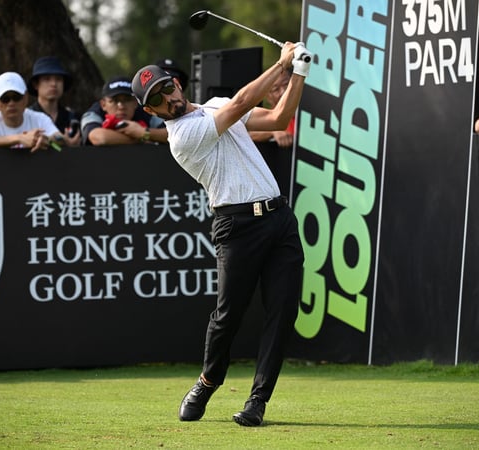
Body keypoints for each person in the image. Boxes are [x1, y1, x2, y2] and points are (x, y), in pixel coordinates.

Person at [130, 41, 311, 427]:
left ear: (177, 84)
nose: (167, 98)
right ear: (150, 111)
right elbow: (242, 103)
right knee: (228, 316)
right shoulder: (181, 136)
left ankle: (257, 402)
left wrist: (299, 72)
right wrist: (281, 64)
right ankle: (207, 382)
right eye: (157, 99)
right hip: (236, 226)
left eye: (167, 88)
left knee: (282, 313)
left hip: (279, 219)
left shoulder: (213, 108)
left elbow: (279, 118)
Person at [80, 76, 167, 146]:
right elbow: (99, 137)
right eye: (114, 100)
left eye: (127, 100)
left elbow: (171, 134)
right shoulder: (94, 113)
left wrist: (143, 132)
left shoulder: (145, 110)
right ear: (103, 104)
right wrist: (141, 138)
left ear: (135, 103)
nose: (121, 106)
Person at [0, 71, 63, 152]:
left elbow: (59, 137)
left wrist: (47, 140)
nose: (11, 103)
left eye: (16, 97)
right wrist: (20, 138)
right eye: (5, 99)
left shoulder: (40, 118)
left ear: (26, 98)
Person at [28, 56, 81, 147]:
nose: (53, 84)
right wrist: (60, 144)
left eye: (58, 79)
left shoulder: (73, 118)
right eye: (47, 79)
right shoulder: (26, 117)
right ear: (36, 84)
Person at [249, 67, 294, 148]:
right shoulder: (267, 116)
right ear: (268, 97)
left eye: (286, 84)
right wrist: (273, 132)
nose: (283, 92)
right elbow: (246, 134)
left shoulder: (305, 113)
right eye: (276, 89)